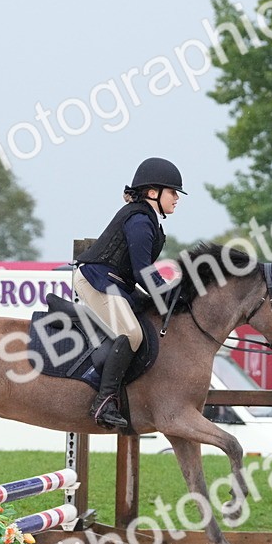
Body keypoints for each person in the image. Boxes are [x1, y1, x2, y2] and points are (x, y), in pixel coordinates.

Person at [72, 157, 185, 429]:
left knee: (149, 316)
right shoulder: (139, 220)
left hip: (115, 283)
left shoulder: (149, 218)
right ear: (152, 192)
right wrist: (168, 295)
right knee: (131, 333)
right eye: (172, 192)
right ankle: (104, 400)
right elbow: (142, 271)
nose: (177, 198)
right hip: (95, 281)